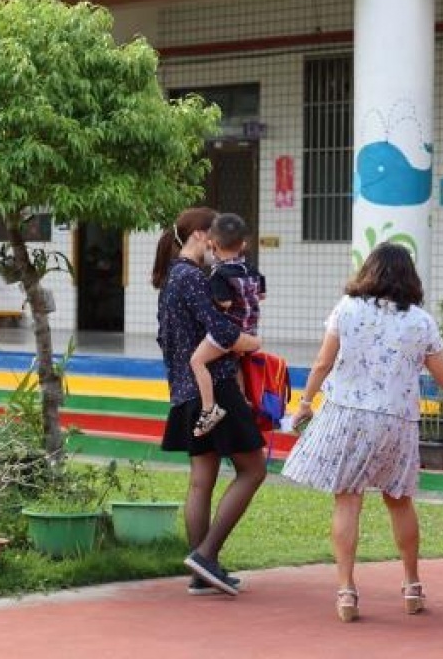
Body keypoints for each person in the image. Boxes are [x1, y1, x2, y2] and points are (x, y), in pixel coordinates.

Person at [283, 243, 443, 623]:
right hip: (397, 420)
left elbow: (323, 362)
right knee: (399, 500)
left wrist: (305, 403)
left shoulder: (346, 309)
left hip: (347, 415)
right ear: (409, 277)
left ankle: (347, 591)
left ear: (369, 271)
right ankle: (412, 586)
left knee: (347, 500)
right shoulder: (420, 321)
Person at [151, 207, 267, 596]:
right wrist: (250, 342)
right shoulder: (194, 279)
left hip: (186, 391)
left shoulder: (172, 279)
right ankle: (206, 555)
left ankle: (203, 570)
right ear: (201, 235)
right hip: (215, 388)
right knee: (253, 469)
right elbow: (222, 330)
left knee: (202, 481)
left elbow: (166, 338)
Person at [188, 213, 267, 437]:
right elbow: (261, 296)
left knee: (197, 361)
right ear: (243, 244)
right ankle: (242, 402)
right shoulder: (252, 270)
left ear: (212, 244)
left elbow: (225, 303)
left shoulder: (220, 274)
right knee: (235, 364)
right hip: (250, 330)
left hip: (230, 333)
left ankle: (208, 408)